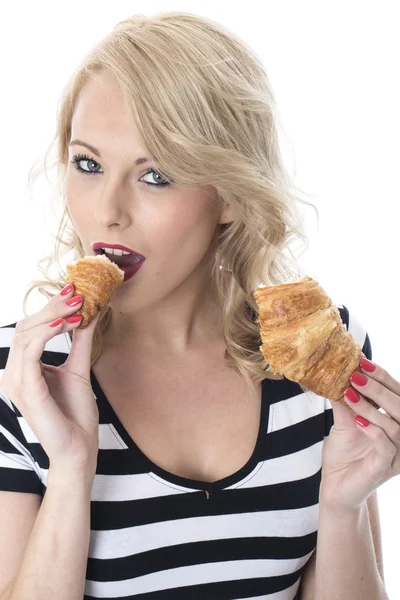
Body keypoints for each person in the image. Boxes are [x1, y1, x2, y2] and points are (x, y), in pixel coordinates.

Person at [0, 11, 393, 600]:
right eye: (88, 164)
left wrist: (342, 507)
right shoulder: (24, 375)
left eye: (155, 174)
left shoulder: (317, 355)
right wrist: (71, 466)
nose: (109, 210)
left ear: (230, 194)